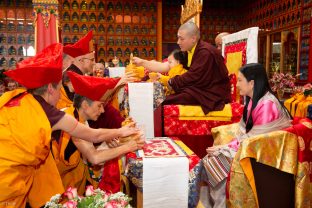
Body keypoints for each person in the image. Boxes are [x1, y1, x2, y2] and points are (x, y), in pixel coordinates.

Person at [0, 43, 139, 208]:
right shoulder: (52, 114)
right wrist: (122, 133)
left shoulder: (16, 99)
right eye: (59, 88)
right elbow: (93, 136)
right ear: (50, 88)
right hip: (8, 181)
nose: (60, 94)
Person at [202, 63, 292, 208]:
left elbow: (256, 140)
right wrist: (225, 147)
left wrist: (224, 149)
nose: (236, 85)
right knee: (209, 161)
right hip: (253, 148)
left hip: (266, 157)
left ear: (251, 83)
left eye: (239, 80)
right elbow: (243, 132)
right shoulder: (254, 101)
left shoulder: (267, 104)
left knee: (215, 163)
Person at [52, 71, 144, 195]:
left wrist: (107, 143)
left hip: (74, 182)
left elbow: (92, 150)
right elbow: (94, 157)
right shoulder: (68, 119)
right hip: (57, 187)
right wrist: (128, 146)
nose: (102, 111)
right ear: (85, 105)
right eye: (99, 106)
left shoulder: (80, 119)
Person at [133, 22, 231, 114]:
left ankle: (154, 114)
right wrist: (142, 62)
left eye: (181, 39)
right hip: (198, 88)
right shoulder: (189, 50)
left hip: (212, 93)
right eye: (178, 38)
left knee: (177, 97)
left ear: (193, 38)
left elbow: (193, 76)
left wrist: (171, 82)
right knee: (173, 93)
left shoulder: (205, 52)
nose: (178, 42)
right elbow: (166, 66)